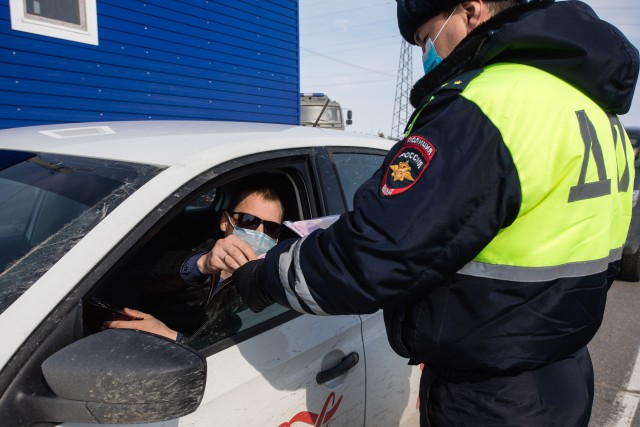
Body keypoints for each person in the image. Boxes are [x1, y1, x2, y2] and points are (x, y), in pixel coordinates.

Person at [232, 1, 639, 426]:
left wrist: (262, 275)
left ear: (471, 10)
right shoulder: (595, 114)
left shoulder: (488, 105)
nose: (427, 53)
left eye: (427, 37)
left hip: (493, 399)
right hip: (564, 373)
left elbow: (371, 257)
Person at [106, 184, 284, 341]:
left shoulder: (267, 289)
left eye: (271, 228)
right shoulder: (193, 247)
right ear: (225, 221)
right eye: (249, 221)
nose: (260, 233)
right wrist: (202, 264)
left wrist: (173, 339)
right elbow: (137, 275)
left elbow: (228, 350)